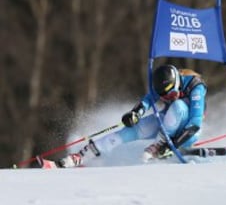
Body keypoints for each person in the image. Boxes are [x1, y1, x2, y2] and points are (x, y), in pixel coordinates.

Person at [39, 64, 207, 168]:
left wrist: (171, 146)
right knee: (133, 129)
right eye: (165, 98)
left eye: (171, 95)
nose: (168, 98)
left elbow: (195, 124)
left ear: (178, 84)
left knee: (177, 106)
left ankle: (158, 145)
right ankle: (78, 157)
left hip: (187, 132)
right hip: (168, 124)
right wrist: (135, 114)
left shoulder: (195, 86)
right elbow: (147, 101)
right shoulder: (162, 86)